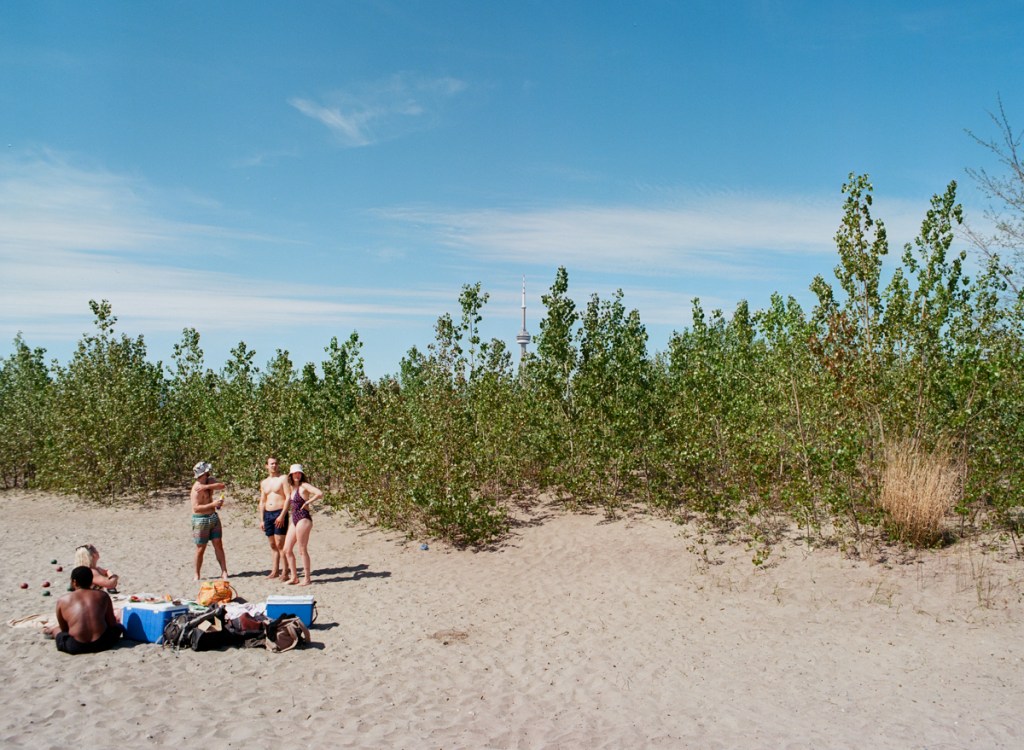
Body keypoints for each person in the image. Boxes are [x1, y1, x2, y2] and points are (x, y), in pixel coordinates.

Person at [47, 567, 124, 654]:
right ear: (91, 581)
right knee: (119, 627)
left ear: (74, 582)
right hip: (102, 643)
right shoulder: (103, 595)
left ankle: (52, 631)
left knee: (57, 631)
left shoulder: (62, 600)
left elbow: (65, 629)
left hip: (76, 646)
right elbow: (112, 623)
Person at [280, 463, 323, 586]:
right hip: (294, 517)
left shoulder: (304, 485)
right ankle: (294, 577)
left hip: (303, 517)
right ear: (291, 475)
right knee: (287, 549)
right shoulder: (291, 487)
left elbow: (319, 493)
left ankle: (307, 578)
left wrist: (308, 502)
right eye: (295, 473)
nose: (297, 475)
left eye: (299, 473)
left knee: (302, 549)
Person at [191, 461, 229, 580]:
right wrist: (212, 504)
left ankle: (224, 571)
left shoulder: (210, 481)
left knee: (218, 544)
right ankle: (197, 574)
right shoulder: (196, 489)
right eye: (207, 471)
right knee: (201, 548)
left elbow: (222, 485)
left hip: (213, 517)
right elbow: (196, 508)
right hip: (200, 519)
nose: (209, 473)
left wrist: (207, 487)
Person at [258, 456, 290, 579]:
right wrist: (262, 519)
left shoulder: (283, 478)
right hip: (268, 514)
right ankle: (275, 570)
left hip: (279, 512)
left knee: (280, 543)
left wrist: (282, 515)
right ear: (266, 466)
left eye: (276, 463)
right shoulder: (264, 482)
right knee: (272, 545)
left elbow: (288, 497)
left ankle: (285, 571)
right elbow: (262, 501)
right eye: (271, 464)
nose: (274, 465)